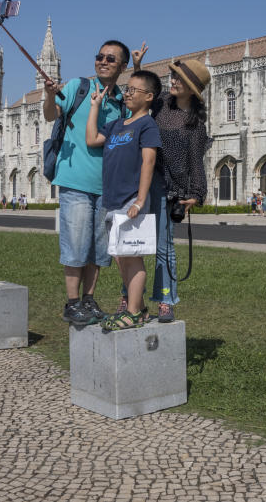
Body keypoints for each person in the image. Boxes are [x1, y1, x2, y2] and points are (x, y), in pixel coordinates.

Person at [121, 51, 211, 324]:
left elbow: (196, 160)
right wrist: (137, 66)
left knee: (164, 247)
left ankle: (165, 300)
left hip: (169, 187)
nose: (173, 81)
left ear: (191, 89)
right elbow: (141, 95)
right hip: (141, 179)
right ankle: (128, 297)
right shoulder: (159, 103)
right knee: (129, 244)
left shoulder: (195, 124)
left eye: (179, 79)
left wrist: (196, 193)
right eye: (174, 76)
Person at [44, 39, 129, 326]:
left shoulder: (121, 102)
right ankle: (72, 303)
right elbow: (49, 114)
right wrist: (48, 95)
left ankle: (89, 300)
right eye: (100, 56)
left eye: (110, 59)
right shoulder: (76, 88)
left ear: (122, 67)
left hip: (106, 185)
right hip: (75, 180)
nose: (103, 61)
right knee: (76, 244)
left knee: (97, 248)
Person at [85, 69, 162, 330]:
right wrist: (95, 106)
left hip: (131, 200)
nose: (127, 93)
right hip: (111, 201)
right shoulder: (117, 124)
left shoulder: (147, 125)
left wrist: (140, 201)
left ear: (149, 97)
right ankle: (137, 309)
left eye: (133, 90)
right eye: (127, 89)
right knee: (120, 258)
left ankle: (131, 311)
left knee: (133, 257)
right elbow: (92, 138)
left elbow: (148, 161)